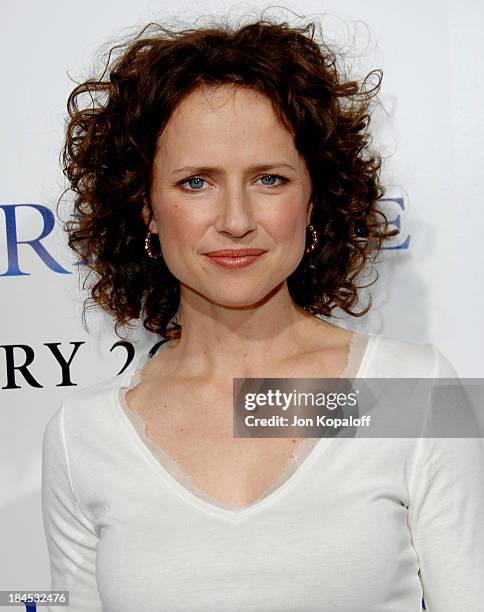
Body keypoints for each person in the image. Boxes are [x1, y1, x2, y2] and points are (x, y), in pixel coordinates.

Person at [41, 17, 484, 612]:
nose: (235, 219)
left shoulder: (410, 391)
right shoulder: (82, 435)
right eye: (195, 182)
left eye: (269, 179)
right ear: (145, 206)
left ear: (313, 198)